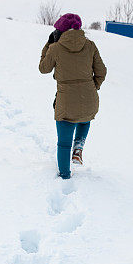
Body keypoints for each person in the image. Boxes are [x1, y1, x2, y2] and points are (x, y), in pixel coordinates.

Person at [39, 13, 107, 179]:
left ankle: (65, 176)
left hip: (67, 103)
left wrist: (49, 44)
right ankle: (79, 146)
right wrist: (93, 87)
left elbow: (43, 68)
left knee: (63, 144)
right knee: (84, 119)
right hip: (89, 99)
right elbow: (102, 71)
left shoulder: (55, 48)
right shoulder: (90, 45)